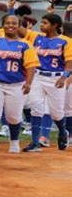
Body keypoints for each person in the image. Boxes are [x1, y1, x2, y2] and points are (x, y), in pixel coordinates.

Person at [0, 14, 40, 155]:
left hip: (16, 84)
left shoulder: (25, 44)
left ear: (19, 25)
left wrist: (29, 83)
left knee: (13, 116)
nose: (11, 26)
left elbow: (31, 66)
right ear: (3, 24)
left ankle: (14, 141)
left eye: (14, 23)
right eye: (7, 23)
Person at [19, 13, 72, 151]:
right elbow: (19, 29)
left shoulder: (65, 41)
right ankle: (35, 142)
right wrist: (12, 9)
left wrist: (64, 77)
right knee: (36, 107)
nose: (41, 25)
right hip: (38, 76)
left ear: (55, 25)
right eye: (41, 22)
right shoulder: (36, 37)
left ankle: (62, 132)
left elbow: (69, 62)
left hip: (56, 78)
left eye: (45, 22)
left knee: (56, 112)